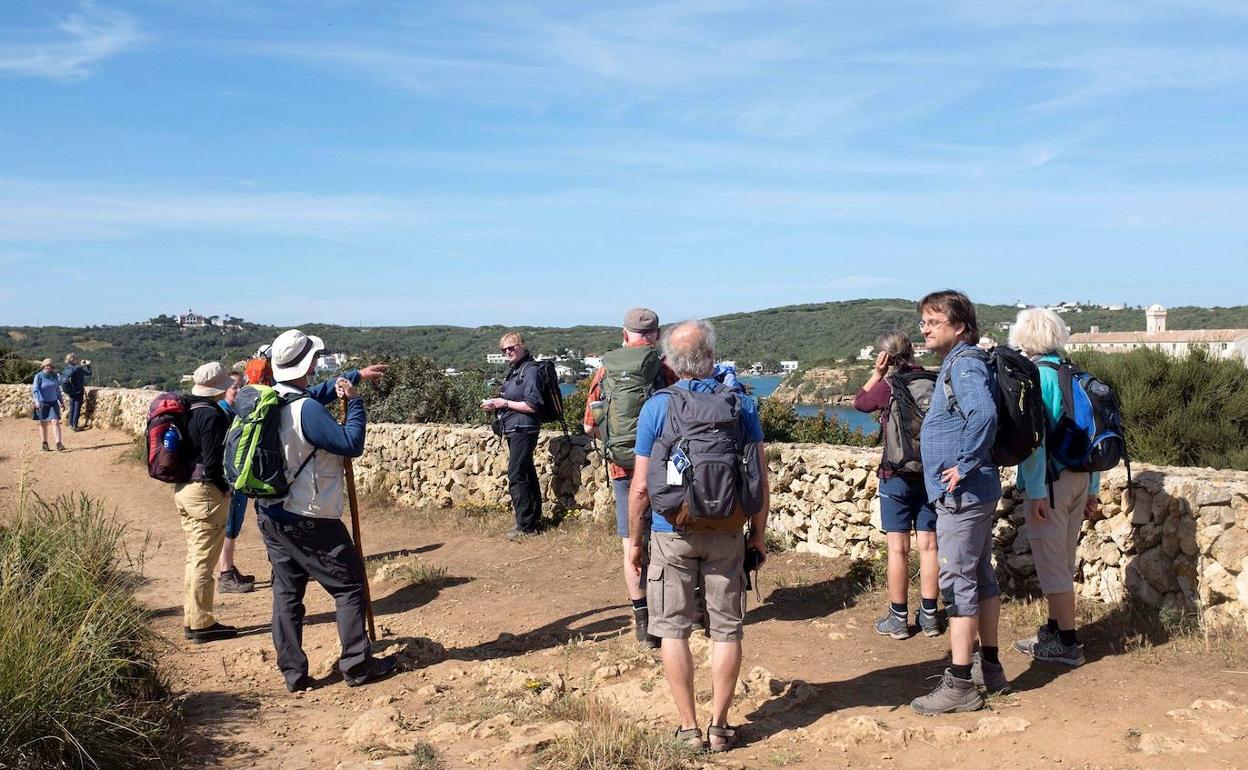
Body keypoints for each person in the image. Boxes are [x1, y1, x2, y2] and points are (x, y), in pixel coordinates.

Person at [627, 320, 770, 752]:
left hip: (673, 530)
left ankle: (689, 729)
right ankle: (721, 727)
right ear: (711, 358)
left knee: (673, 629)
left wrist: (636, 540)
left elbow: (639, 487)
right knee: (727, 630)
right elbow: (760, 477)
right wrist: (757, 537)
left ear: (669, 363)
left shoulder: (657, 406)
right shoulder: (742, 404)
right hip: (728, 531)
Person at [257, 329, 396, 692]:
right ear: (310, 363)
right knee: (349, 585)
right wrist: (356, 402)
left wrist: (353, 375)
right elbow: (350, 443)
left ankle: (293, 674)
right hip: (309, 516)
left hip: (271, 514)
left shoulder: (270, 400)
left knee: (287, 594)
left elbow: (311, 396)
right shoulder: (307, 410)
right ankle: (357, 666)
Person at [911, 290, 1006, 715]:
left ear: (959, 326)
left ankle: (961, 683)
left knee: (959, 583)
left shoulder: (965, 364)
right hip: (974, 492)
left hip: (963, 494)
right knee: (981, 577)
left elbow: (983, 415)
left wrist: (963, 464)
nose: (924, 328)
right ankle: (992, 668)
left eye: (933, 322)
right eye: (924, 322)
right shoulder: (961, 362)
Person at [1009, 308, 1099, 667]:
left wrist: (1034, 492)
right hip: (1080, 477)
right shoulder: (1074, 373)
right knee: (1063, 558)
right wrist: (1093, 487)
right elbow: (1090, 434)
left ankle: (1066, 643)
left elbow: (1035, 443)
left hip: (1048, 483)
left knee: (1052, 564)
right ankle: (1052, 630)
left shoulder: (1037, 377)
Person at [582, 307, 672, 648]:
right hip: (663, 469)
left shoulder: (605, 371)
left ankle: (642, 623)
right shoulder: (666, 370)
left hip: (623, 469)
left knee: (630, 544)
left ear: (624, 335)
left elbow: (589, 426)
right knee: (666, 541)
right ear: (657, 336)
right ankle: (670, 615)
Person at [854, 330, 941, 639]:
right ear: (913, 351)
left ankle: (898, 618)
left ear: (885, 356)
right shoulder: (934, 381)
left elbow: (860, 402)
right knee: (930, 546)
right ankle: (930, 617)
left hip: (896, 475)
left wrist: (876, 374)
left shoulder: (889, 385)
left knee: (897, 549)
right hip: (931, 475)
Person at [178, 362, 239, 644]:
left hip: (184, 489)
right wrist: (224, 487)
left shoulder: (187, 410)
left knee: (194, 557)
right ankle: (202, 623)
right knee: (204, 559)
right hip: (204, 491)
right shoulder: (212, 416)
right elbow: (213, 461)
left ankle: (193, 618)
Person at [482, 332, 544, 540]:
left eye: (512, 347)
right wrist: (495, 404)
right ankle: (533, 520)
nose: (508, 351)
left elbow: (532, 404)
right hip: (515, 428)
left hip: (524, 429)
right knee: (525, 472)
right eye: (504, 349)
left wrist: (504, 404)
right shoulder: (515, 371)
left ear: (523, 346)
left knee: (517, 474)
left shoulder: (530, 371)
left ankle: (525, 526)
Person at [216, 372, 257, 594]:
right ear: (224, 390)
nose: (238, 391)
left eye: (241, 387)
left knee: (233, 524)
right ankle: (225, 574)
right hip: (229, 479)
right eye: (234, 387)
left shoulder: (230, 412)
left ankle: (229, 566)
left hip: (232, 478)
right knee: (230, 525)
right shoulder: (224, 414)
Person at [31, 358, 65, 451]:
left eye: (50, 365)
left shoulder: (54, 376)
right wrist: (37, 401)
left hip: (53, 402)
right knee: (43, 423)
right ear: (43, 366)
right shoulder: (39, 376)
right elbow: (35, 389)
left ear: (52, 367)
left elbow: (57, 390)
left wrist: (61, 402)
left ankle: (59, 443)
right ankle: (44, 443)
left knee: (56, 421)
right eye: (46, 365)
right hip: (42, 402)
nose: (48, 367)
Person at [60, 353, 92, 431]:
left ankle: (70, 423)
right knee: (77, 407)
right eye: (76, 358)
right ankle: (74, 425)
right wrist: (88, 365)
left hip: (70, 390)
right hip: (78, 390)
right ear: (73, 359)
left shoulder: (67, 368)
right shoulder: (78, 369)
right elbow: (89, 373)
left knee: (72, 407)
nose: (78, 359)